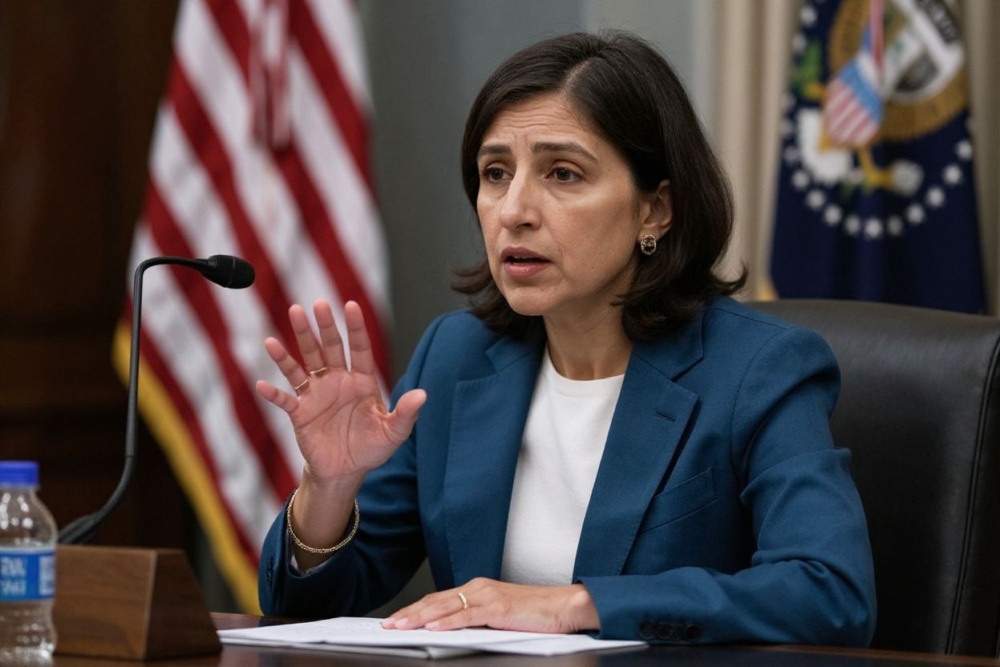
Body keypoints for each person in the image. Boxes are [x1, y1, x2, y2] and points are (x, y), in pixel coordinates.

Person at [255, 30, 876, 646]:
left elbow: (830, 592)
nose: (514, 209)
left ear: (654, 210)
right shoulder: (455, 358)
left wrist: (574, 606)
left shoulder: (758, 370)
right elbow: (304, 606)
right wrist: (329, 489)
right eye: (495, 173)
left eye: (563, 173)